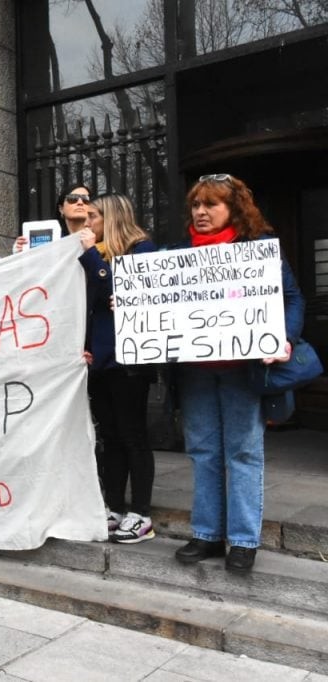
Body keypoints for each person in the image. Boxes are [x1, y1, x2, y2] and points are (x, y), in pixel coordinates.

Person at [172, 174, 305, 574]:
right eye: (196, 205)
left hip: (242, 371)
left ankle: (244, 541)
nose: (200, 212)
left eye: (210, 204)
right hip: (196, 372)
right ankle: (207, 534)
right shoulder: (178, 254)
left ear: (234, 209)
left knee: (243, 452)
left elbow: (292, 297)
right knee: (203, 451)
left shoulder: (258, 249)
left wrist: (285, 338)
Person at [78, 194, 157, 543]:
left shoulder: (141, 250)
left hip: (130, 361)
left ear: (110, 218)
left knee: (132, 435)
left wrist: (92, 256)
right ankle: (114, 506)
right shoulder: (95, 253)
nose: (87, 223)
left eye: (93, 216)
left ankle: (141, 513)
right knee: (110, 436)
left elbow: (117, 287)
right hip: (100, 358)